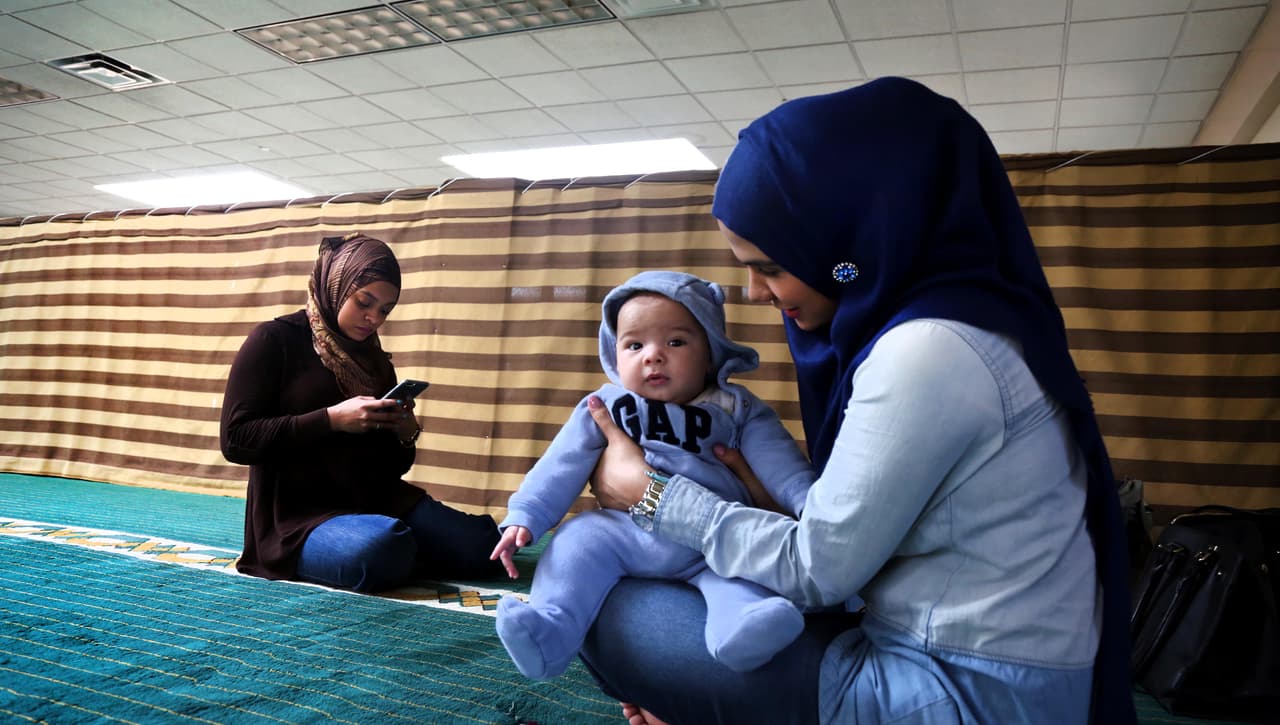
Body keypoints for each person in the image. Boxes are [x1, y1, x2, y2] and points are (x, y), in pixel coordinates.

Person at [578, 77, 1136, 724]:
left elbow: (819, 571)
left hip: (965, 695)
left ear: (845, 247)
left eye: (772, 266)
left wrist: (647, 492)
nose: (757, 292)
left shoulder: (928, 352)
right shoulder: (970, 319)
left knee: (605, 607)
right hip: (974, 665)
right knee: (733, 607)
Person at [490, 270, 816, 680]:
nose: (653, 355)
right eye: (634, 344)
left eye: (675, 342)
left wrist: (807, 501)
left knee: (742, 571)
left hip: (711, 539)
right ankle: (549, 632)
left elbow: (779, 461)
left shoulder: (736, 406)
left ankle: (743, 628)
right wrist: (526, 516)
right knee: (575, 540)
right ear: (614, 354)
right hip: (626, 531)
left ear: (710, 353)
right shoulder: (605, 404)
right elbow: (562, 462)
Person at [220, 232, 503, 592]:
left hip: (377, 499)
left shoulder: (374, 361)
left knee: (486, 545)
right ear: (336, 285)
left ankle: (414, 548)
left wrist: (404, 433)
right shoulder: (274, 341)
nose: (373, 318)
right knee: (381, 548)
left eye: (384, 309)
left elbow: (393, 466)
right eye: (363, 302)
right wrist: (332, 420)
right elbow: (236, 439)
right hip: (300, 517)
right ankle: (407, 549)